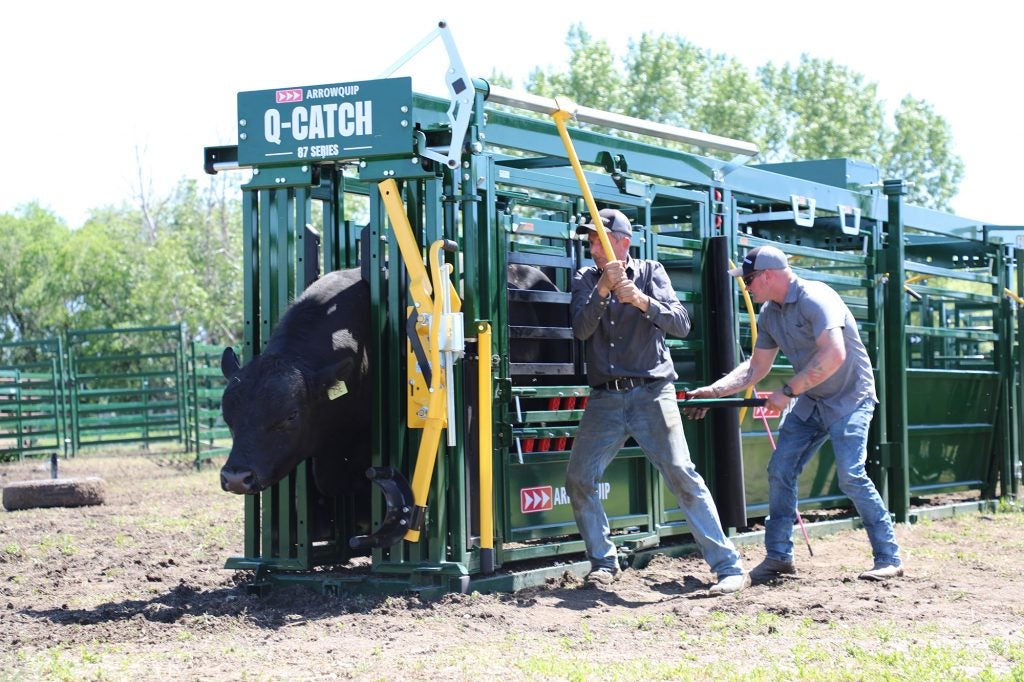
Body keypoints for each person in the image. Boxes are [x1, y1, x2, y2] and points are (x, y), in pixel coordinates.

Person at [685, 245, 902, 582]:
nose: (747, 287)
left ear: (768, 275)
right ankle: (779, 557)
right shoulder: (771, 314)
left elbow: (834, 355)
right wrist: (714, 392)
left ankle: (888, 557)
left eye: (749, 280)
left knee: (850, 476)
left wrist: (787, 392)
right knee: (781, 469)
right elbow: (756, 367)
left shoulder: (817, 298)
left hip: (850, 398)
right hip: (812, 400)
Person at [566, 208, 749, 595]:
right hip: (605, 399)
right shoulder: (584, 278)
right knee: (579, 478)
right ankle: (603, 563)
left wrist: (641, 301)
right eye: (589, 239)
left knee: (682, 474)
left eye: (598, 238)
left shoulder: (651, 272)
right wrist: (603, 292)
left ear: (622, 242)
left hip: (653, 392)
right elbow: (581, 330)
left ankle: (729, 566)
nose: (592, 245)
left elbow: (682, 323)